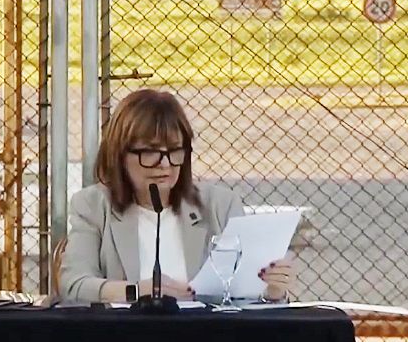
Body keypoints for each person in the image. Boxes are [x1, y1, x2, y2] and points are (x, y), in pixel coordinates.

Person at [59, 88, 293, 304]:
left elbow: (243, 301)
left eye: (174, 151)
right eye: (150, 152)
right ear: (120, 154)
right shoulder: (93, 206)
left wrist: (271, 292)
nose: (165, 164)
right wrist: (137, 291)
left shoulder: (220, 205)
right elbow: (73, 284)